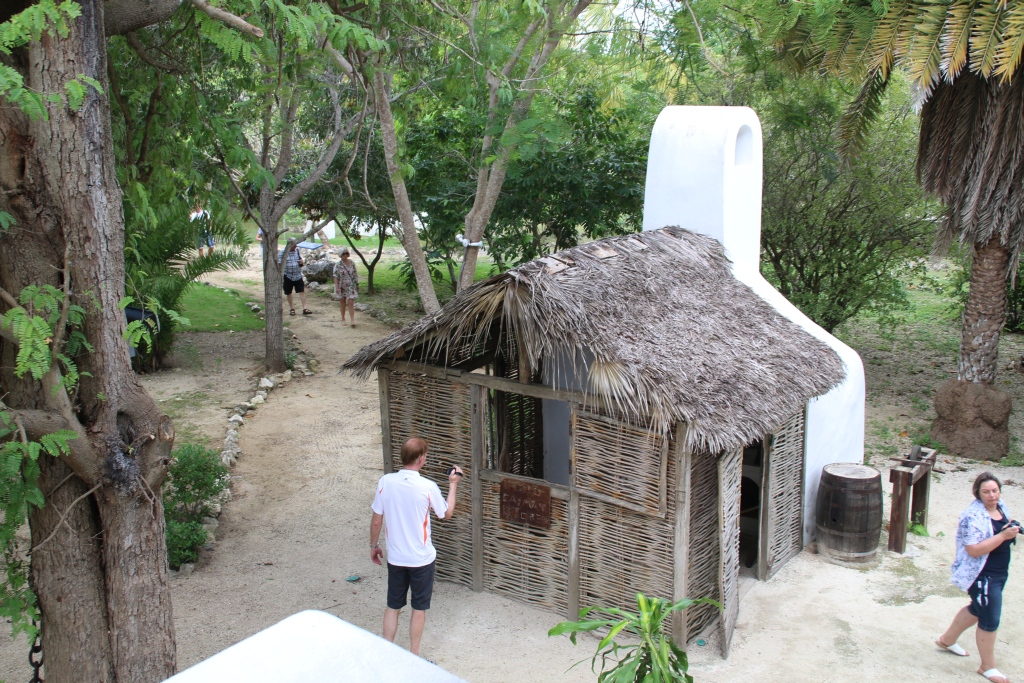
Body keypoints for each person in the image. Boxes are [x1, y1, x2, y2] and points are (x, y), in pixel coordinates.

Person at [369, 438, 463, 657]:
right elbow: (446, 513)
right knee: (418, 608)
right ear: (421, 459)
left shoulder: (385, 482)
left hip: (396, 558)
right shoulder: (427, 487)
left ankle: (387, 652)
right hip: (421, 559)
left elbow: (376, 520)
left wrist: (374, 545)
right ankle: (414, 656)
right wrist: (453, 484)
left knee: (393, 605)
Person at [937, 472, 1019, 683]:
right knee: (990, 618)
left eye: (995, 491)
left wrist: (1012, 527)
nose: (992, 495)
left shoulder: (1000, 506)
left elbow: (1005, 523)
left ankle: (947, 640)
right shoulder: (972, 516)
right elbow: (973, 550)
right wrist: (1003, 536)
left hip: (999, 572)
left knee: (977, 608)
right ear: (978, 494)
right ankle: (987, 667)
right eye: (986, 492)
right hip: (982, 575)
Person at [278, 245, 311, 315]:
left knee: (302, 291)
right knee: (288, 292)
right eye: (294, 246)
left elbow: (300, 261)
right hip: (287, 275)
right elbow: (279, 264)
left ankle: (305, 308)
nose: (295, 248)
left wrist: (301, 262)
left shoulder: (297, 250)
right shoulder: (282, 252)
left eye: (296, 246)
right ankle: (292, 309)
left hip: (298, 275)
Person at [333, 247, 359, 327]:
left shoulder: (352, 263)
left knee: (351, 302)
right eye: (343, 253)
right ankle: (343, 318)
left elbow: (355, 274)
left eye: (346, 253)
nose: (345, 255)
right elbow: (335, 276)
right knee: (343, 302)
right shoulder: (338, 265)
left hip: (350, 285)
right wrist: (337, 287)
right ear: (340, 255)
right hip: (341, 285)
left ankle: (352, 320)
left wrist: (357, 284)